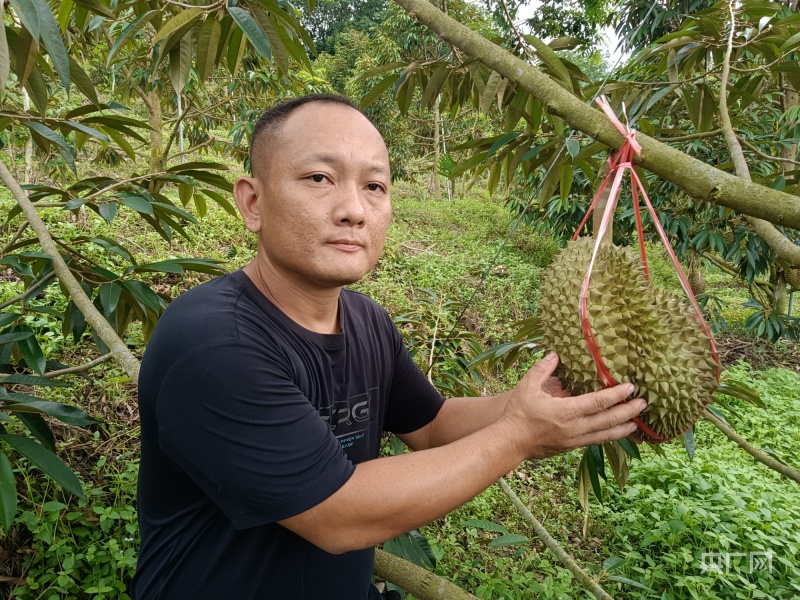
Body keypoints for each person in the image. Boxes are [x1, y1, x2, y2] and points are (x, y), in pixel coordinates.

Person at [132, 93, 646, 600]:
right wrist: (519, 436)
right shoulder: (212, 344)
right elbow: (337, 514)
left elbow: (432, 426)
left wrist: (542, 403)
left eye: (375, 186)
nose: (354, 210)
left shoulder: (366, 320)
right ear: (253, 201)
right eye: (319, 178)